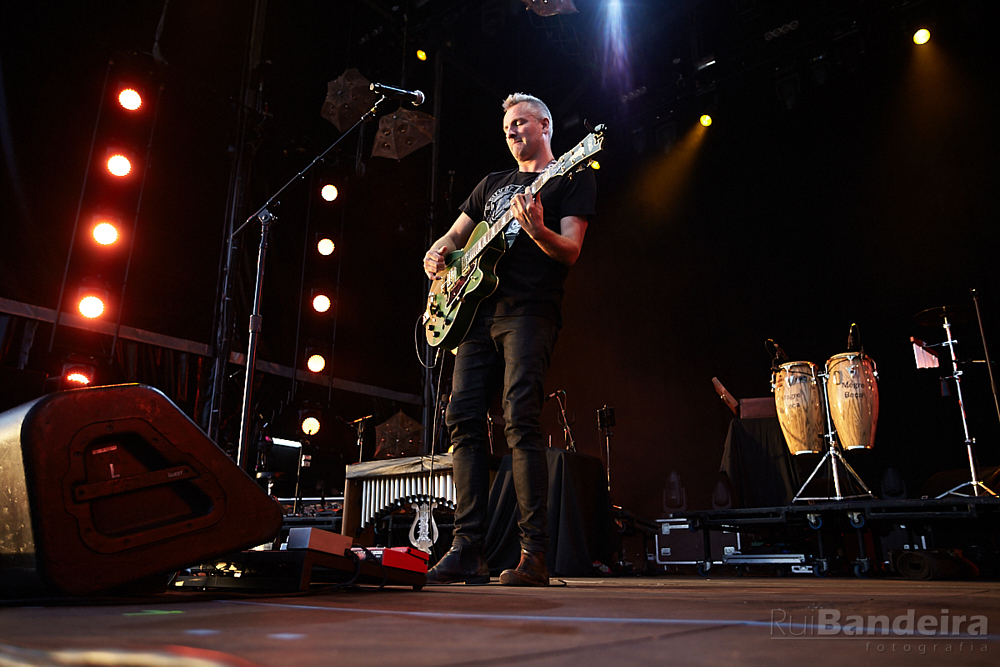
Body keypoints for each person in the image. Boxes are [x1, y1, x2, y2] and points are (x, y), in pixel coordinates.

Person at [421, 93, 596, 586]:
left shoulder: (572, 174)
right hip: (475, 314)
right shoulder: (490, 185)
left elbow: (570, 251)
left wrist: (538, 230)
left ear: (544, 124)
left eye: (521, 123)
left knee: (520, 418)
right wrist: (437, 256)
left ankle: (533, 555)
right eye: (507, 128)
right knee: (463, 420)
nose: (513, 132)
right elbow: (453, 240)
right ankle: (467, 548)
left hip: (529, 311)